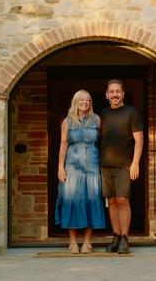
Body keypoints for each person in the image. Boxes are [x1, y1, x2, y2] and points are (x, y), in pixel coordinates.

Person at [55, 90, 105, 254]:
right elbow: (63, 144)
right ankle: (72, 242)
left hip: (92, 166)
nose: (85, 102)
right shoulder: (67, 121)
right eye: (82, 99)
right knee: (72, 200)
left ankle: (87, 242)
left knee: (91, 200)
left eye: (88, 100)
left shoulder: (96, 119)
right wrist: (60, 167)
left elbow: (103, 143)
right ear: (75, 101)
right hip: (72, 166)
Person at [100, 79, 143, 254]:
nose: (115, 94)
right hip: (105, 165)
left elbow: (139, 140)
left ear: (123, 94)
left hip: (125, 165)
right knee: (111, 201)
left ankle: (125, 238)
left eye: (118, 91)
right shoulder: (102, 114)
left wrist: (135, 163)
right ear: (107, 95)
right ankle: (116, 236)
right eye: (112, 91)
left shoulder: (131, 112)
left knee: (123, 200)